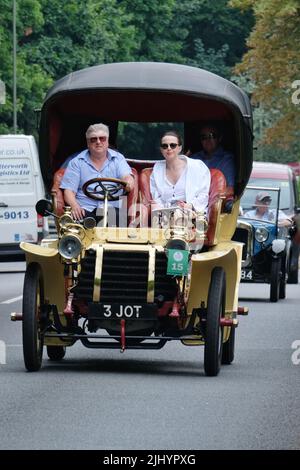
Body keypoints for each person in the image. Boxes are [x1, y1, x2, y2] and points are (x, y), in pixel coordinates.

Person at [60, 123, 134, 221]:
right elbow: (69, 191)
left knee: (117, 217)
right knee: (76, 220)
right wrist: (74, 206)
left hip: (112, 211)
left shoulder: (118, 159)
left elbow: (127, 177)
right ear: (88, 143)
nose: (98, 142)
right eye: (93, 139)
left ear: (107, 141)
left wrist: (128, 182)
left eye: (102, 138)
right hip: (85, 210)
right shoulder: (76, 162)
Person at [150, 131, 211, 214]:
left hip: (192, 214)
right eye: (165, 146)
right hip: (165, 216)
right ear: (161, 150)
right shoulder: (157, 169)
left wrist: (190, 205)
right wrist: (161, 209)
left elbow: (203, 195)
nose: (169, 148)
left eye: (173, 145)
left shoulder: (197, 166)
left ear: (180, 148)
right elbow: (156, 198)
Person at [190, 123, 235, 189]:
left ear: (219, 138)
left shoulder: (227, 160)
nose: (208, 140)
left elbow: (230, 189)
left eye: (212, 136)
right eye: (204, 137)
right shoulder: (193, 159)